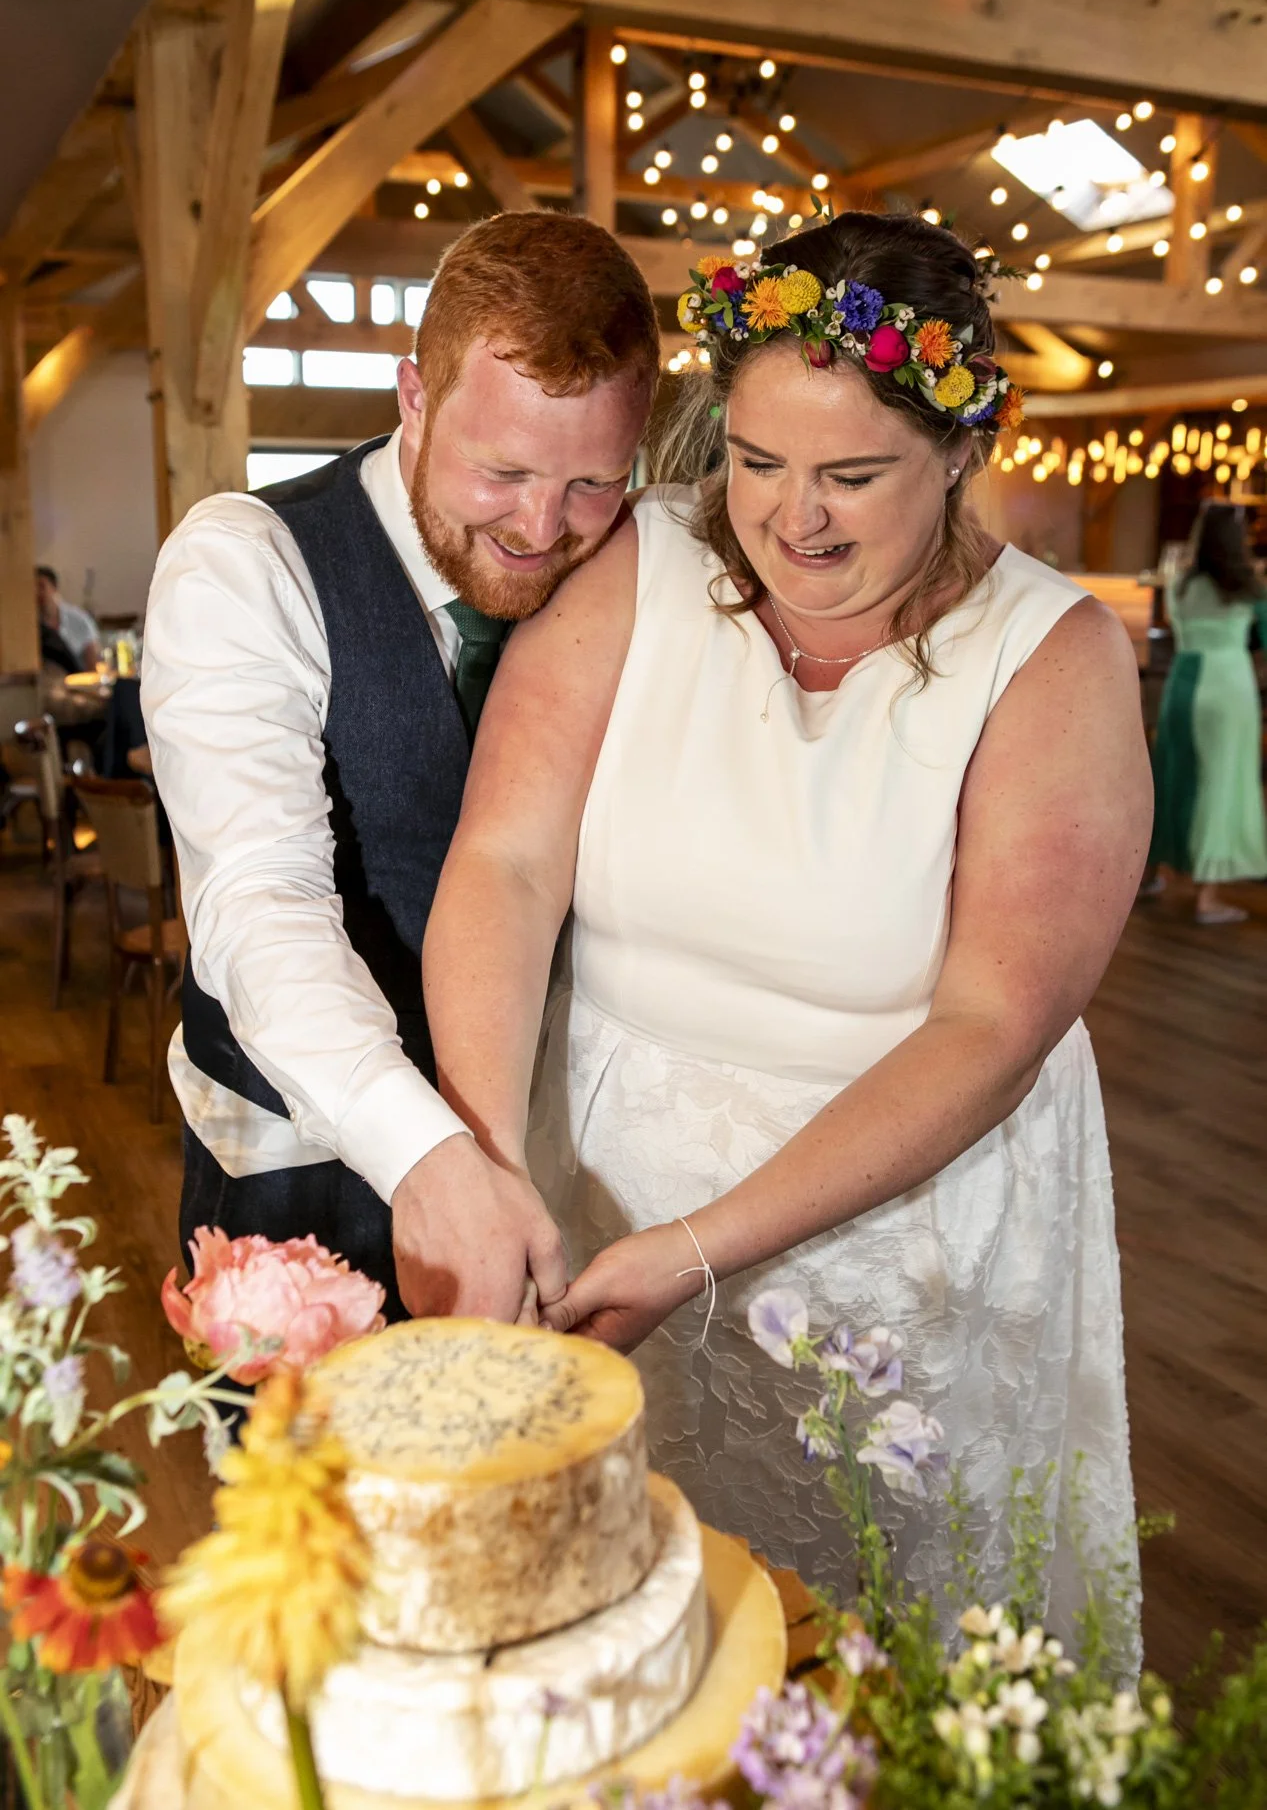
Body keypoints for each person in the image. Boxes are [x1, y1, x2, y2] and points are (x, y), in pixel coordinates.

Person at [423, 212, 1151, 1641]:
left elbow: (991, 1025)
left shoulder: (1050, 658)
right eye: (756, 462)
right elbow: (506, 860)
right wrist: (489, 1164)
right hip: (596, 1192)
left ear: (960, 449)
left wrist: (698, 1247)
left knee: (881, 1637)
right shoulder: (641, 561)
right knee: (632, 1632)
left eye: (851, 476)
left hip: (893, 1239)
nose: (792, 519)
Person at [141, 212, 659, 1323]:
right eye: (502, 469)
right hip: (310, 1166)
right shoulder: (245, 564)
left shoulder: (632, 573)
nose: (541, 527)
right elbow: (259, 897)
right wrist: (419, 1147)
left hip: (569, 1164)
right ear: (413, 397)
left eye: (592, 482)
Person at [1145, 501, 1267, 923]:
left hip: (1183, 681)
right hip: (1228, 685)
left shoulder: (1180, 583)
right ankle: (1207, 898)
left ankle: (1153, 874)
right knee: (1222, 781)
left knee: (1171, 775)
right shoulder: (1248, 587)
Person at [36, 566, 100, 672]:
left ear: (54, 587)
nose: (37, 592)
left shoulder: (79, 619)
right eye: (33, 587)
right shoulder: (31, 625)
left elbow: (92, 662)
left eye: (41, 586)